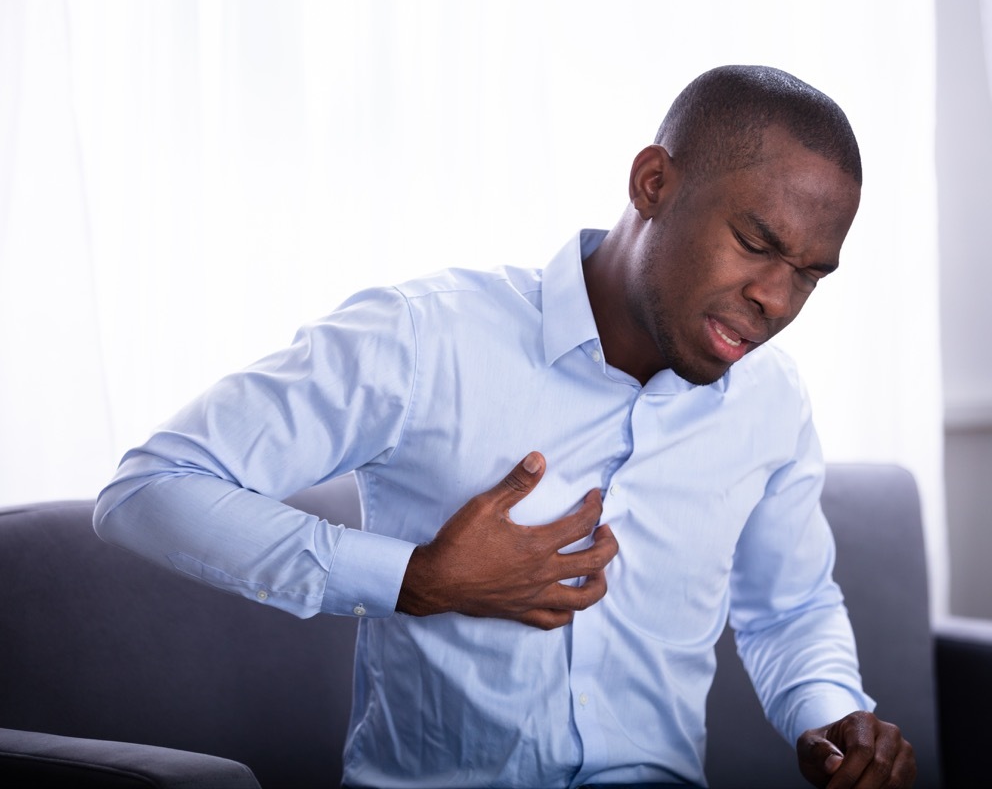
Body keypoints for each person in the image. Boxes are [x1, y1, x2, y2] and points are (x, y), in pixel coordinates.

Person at [95, 65, 916, 789]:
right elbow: (148, 489)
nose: (778, 299)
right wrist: (413, 579)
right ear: (653, 183)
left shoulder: (769, 399)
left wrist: (832, 715)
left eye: (810, 274)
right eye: (755, 244)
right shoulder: (424, 339)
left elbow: (789, 606)